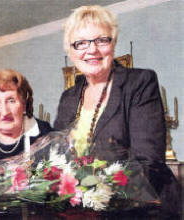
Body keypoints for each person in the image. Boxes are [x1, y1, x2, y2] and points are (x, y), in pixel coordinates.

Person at [54, 5, 181, 217]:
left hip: (142, 211)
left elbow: (148, 163)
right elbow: (57, 159)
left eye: (101, 40)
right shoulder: (68, 98)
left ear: (113, 43)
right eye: (81, 43)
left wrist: (94, 194)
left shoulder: (139, 83)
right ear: (71, 52)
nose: (92, 50)